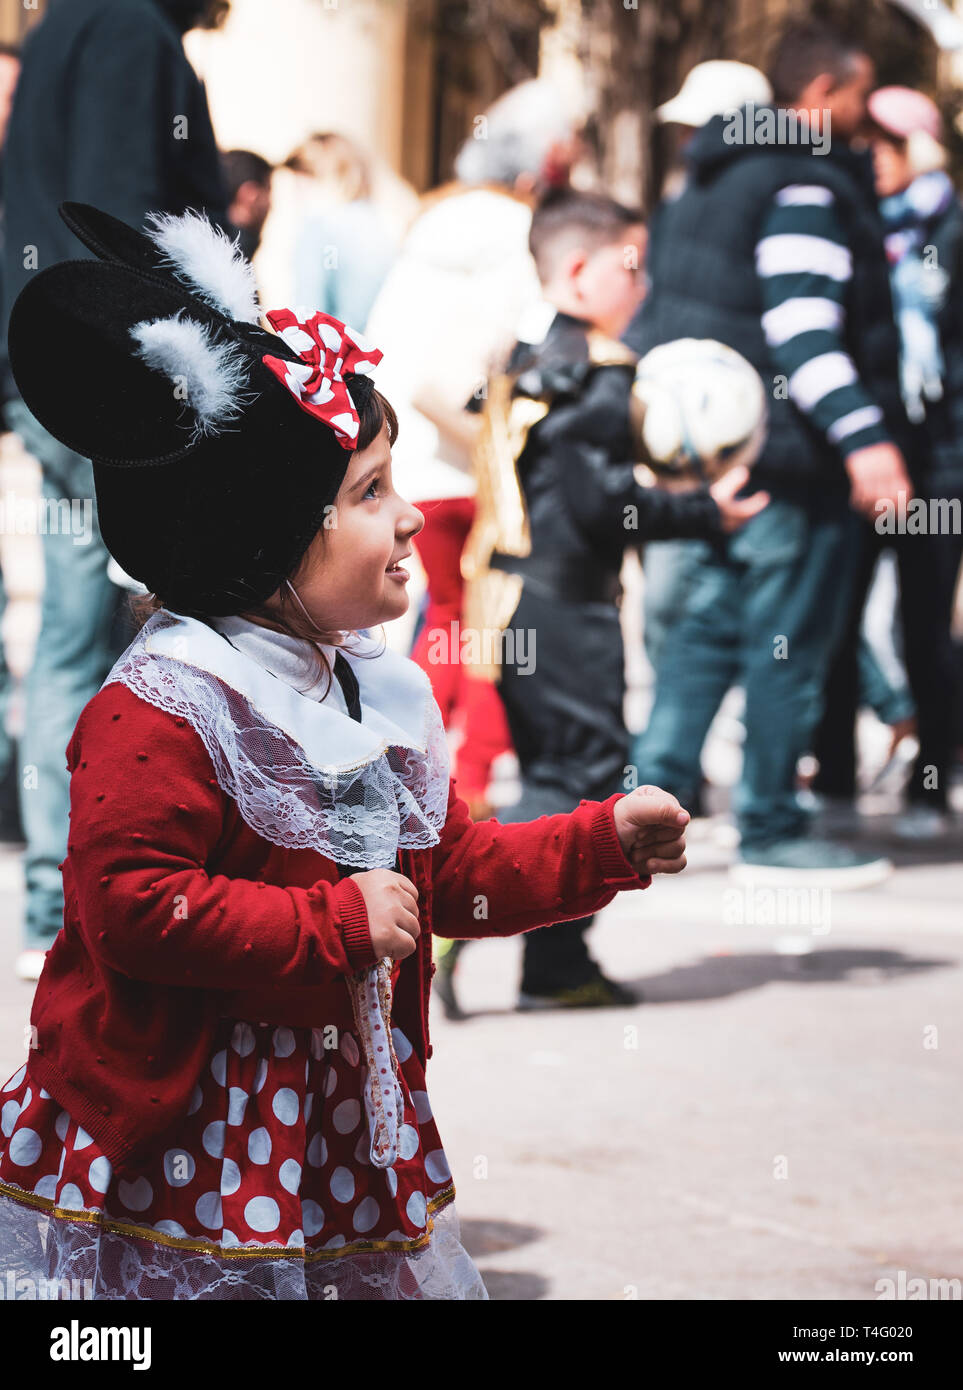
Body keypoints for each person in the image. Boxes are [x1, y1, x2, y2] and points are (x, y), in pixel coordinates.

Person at [0, 202, 690, 1300]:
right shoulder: (172, 703)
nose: (413, 519)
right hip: (184, 1142)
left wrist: (600, 845)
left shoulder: (378, 689)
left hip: (337, 1137)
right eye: (370, 493)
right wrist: (330, 921)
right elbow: (131, 904)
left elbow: (448, 878)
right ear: (261, 532)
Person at [438, 191, 765, 1016]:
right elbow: (600, 505)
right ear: (579, 270)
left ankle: (537, 951)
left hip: (508, 592)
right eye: (632, 264)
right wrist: (703, 508)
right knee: (580, 773)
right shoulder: (600, 369)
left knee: (557, 765)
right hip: (563, 603)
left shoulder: (519, 352)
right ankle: (490, 923)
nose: (644, 282)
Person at [625, 21, 912, 886]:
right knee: (786, 640)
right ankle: (772, 828)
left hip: (708, 456)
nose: (863, 117)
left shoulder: (696, 184)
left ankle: (645, 816)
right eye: (858, 96)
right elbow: (802, 328)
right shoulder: (804, 183)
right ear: (820, 96)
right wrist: (865, 440)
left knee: (703, 636)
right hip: (790, 459)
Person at [0, 0, 228, 980]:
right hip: (104, 378)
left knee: (76, 632)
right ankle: (87, 895)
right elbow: (118, 212)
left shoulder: (59, 26)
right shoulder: (130, 31)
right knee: (133, 632)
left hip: (56, 366)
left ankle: (65, 891)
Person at [365, 79, 579, 817]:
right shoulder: (520, 240)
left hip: (408, 465)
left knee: (448, 617)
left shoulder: (429, 228)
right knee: (490, 626)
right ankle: (473, 785)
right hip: (479, 470)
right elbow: (498, 362)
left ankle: (418, 768)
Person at [813, 87, 963, 837]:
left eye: (889, 145)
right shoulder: (854, 219)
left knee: (923, 626)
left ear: (921, 149)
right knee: (835, 619)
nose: (872, 159)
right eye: (864, 144)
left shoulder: (951, 226)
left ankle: (931, 786)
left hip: (938, 462)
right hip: (862, 453)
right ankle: (834, 774)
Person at [222, 148, 273, 260]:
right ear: (251, 195)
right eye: (268, 190)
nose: (271, 204)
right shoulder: (236, 259)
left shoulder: (202, 243)